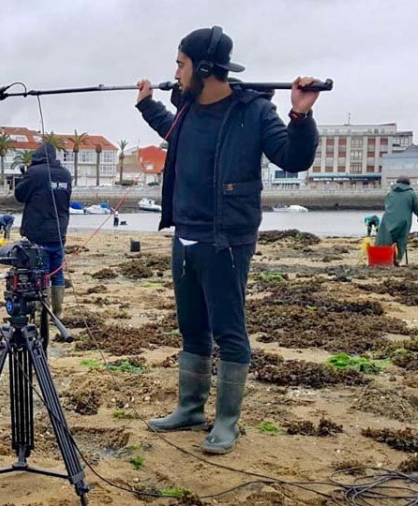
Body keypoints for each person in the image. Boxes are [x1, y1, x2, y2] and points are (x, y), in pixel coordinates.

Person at [135, 26, 320, 455]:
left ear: (203, 69)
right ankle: (190, 408)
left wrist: (301, 115)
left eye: (180, 64)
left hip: (228, 241)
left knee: (229, 331)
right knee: (192, 329)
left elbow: (293, 157)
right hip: (186, 237)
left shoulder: (254, 112)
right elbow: (172, 131)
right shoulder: (186, 107)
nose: (175, 72)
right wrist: (147, 105)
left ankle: (226, 421)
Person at [14, 142, 72, 339]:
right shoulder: (65, 174)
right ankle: (58, 312)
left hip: (37, 233)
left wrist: (25, 175)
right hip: (58, 231)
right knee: (57, 272)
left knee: (41, 273)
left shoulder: (35, 173)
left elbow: (19, 195)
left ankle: (42, 315)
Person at [376, 177, 418, 266]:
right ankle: (398, 259)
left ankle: (382, 259)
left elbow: (387, 206)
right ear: (408, 184)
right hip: (403, 221)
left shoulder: (390, 193)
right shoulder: (411, 194)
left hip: (388, 220)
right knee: (401, 240)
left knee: (384, 240)